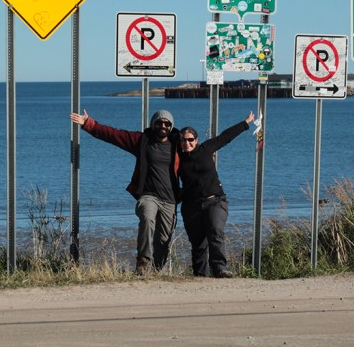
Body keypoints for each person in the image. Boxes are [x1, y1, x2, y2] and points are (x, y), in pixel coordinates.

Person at [71, 109, 180, 275]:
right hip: (148, 195)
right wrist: (89, 124)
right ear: (153, 124)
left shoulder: (178, 145)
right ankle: (142, 263)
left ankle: (159, 270)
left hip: (169, 200)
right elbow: (114, 135)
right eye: (159, 122)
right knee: (146, 218)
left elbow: (196, 152)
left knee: (163, 239)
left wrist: (208, 157)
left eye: (166, 123)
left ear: (171, 126)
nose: (162, 126)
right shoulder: (142, 141)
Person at [177, 111, 255, 278]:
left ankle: (219, 268)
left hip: (215, 201)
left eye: (190, 140)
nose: (187, 143)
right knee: (198, 243)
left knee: (215, 229)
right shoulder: (177, 159)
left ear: (196, 140)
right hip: (191, 205)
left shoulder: (206, 148)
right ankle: (200, 275)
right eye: (183, 140)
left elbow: (226, 136)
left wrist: (246, 123)